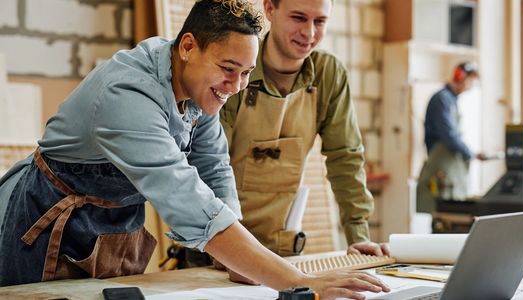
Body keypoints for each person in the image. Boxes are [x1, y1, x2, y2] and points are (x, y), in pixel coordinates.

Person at [0, 0, 390, 298]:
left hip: (109, 231)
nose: (236, 86)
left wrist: (232, 258)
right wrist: (299, 281)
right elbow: (184, 194)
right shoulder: (128, 94)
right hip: (47, 227)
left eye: (246, 73)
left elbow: (214, 165)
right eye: (227, 69)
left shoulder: (194, 86)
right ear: (188, 46)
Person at [219, 0, 388, 262]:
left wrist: (359, 236)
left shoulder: (328, 74)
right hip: (217, 246)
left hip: (280, 251)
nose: (309, 33)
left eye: (319, 21)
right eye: (298, 18)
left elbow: (346, 158)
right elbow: (211, 162)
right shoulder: (235, 67)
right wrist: (228, 247)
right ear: (270, 9)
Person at [416, 62, 482, 213]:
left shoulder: (451, 100)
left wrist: (472, 153)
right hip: (440, 164)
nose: (471, 86)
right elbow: (449, 135)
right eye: (470, 81)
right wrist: (469, 152)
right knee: (440, 212)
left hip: (448, 165)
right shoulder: (442, 99)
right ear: (460, 77)